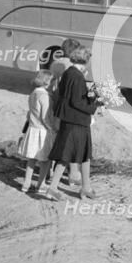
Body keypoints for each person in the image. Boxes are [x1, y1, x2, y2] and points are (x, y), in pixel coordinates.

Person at [46, 44, 99, 201]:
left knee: (78, 155)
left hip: (70, 120)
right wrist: (95, 104)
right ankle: (54, 188)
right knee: (72, 156)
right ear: (86, 60)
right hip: (77, 122)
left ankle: (85, 187)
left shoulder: (69, 73)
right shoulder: (77, 76)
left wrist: (90, 95)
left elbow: (69, 97)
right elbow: (77, 102)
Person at [18, 70, 57, 193]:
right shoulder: (44, 96)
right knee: (45, 160)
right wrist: (52, 128)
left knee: (32, 158)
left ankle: (26, 183)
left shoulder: (33, 93)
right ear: (47, 82)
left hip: (32, 129)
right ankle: (41, 184)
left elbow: (31, 113)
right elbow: (45, 116)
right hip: (42, 131)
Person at [49, 38, 82, 186]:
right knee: (71, 141)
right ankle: (73, 174)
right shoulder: (74, 66)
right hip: (69, 106)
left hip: (56, 104)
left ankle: (50, 172)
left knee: (58, 139)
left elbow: (52, 83)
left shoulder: (55, 64)